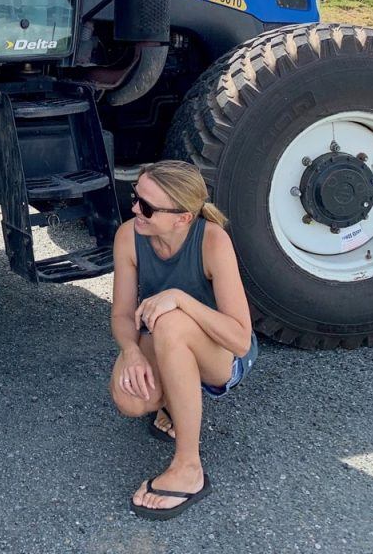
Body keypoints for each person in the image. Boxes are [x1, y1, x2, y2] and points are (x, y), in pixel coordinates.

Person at [109, 160, 257, 520]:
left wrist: (182, 299)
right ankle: (174, 401)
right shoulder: (129, 235)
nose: (134, 210)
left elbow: (240, 339)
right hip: (161, 336)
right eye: (135, 198)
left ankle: (189, 468)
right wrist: (130, 351)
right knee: (130, 399)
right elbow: (122, 314)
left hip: (221, 354)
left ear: (182, 218)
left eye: (146, 207)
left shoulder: (212, 240)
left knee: (172, 323)